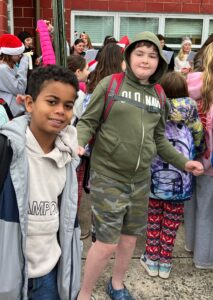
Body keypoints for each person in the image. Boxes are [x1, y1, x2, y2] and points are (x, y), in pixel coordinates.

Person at [76, 31, 204, 300]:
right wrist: (79, 143)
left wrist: (184, 162)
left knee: (130, 239)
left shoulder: (158, 95)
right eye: (140, 53)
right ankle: (85, 292)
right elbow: (87, 121)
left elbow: (160, 139)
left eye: (153, 55)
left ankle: (117, 284)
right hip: (109, 177)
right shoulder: (111, 85)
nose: (146, 60)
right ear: (129, 56)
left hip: (142, 180)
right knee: (107, 243)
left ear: (160, 62)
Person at [0, 65, 81, 300]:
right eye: (52, 101)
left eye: (68, 105)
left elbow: (69, 217)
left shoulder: (68, 158)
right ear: (30, 104)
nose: (60, 111)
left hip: (49, 276)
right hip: (1, 276)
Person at [140, 71, 204, 279]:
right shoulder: (191, 109)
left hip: (154, 173)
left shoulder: (154, 106)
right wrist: (198, 151)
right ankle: (165, 262)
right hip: (182, 174)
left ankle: (151, 258)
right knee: (172, 219)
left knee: (153, 216)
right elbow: (198, 135)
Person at [185, 43, 213, 270]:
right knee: (208, 210)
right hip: (210, 161)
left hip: (191, 155)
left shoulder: (191, 84)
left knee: (194, 203)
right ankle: (204, 259)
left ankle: (191, 245)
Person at [0, 34, 29, 117]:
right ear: (9, 54)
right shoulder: (3, 68)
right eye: (18, 53)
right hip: (10, 110)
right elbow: (20, 89)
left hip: (13, 108)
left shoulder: (9, 65)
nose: (20, 56)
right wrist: (23, 65)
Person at [67, 55, 89, 126]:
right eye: (86, 69)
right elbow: (85, 117)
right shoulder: (78, 94)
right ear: (78, 72)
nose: (88, 72)